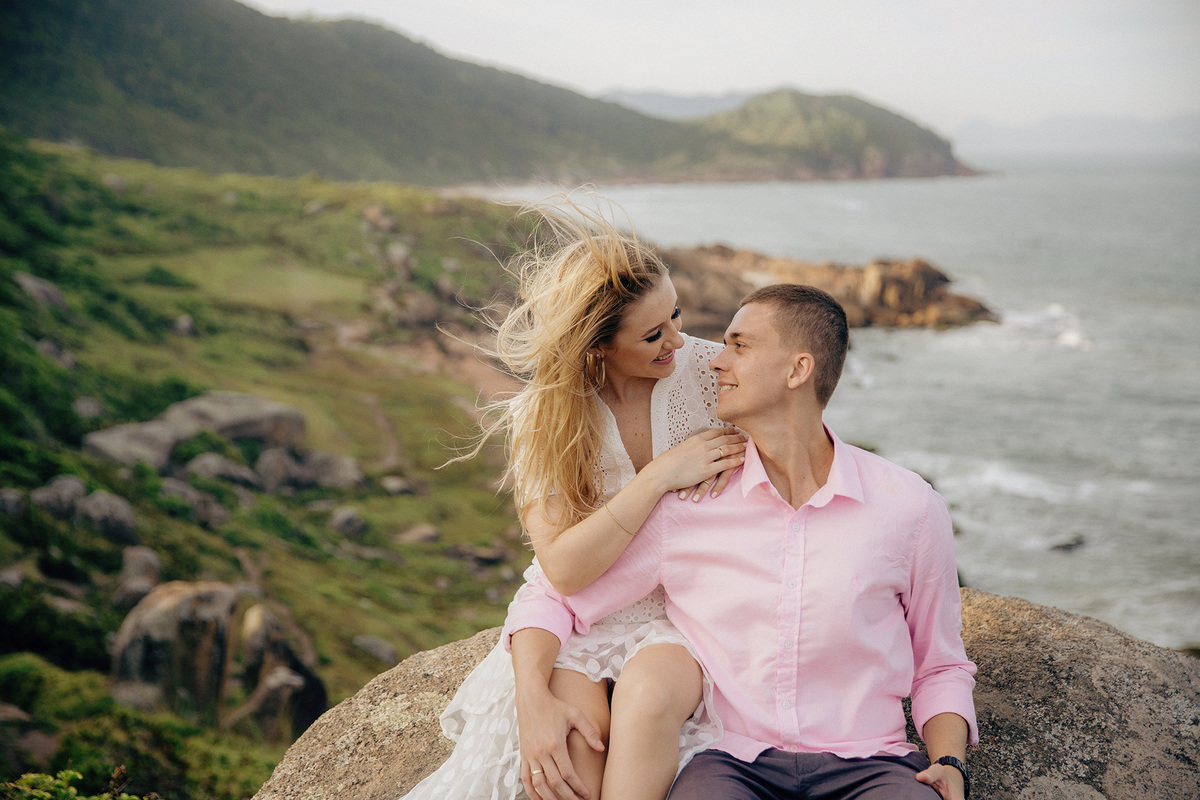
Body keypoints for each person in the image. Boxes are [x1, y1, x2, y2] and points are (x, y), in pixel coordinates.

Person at [505, 284, 979, 800]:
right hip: (733, 765)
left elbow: (942, 663)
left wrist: (949, 761)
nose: (713, 361)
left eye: (739, 346)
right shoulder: (692, 505)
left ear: (798, 371)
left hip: (871, 764)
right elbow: (557, 594)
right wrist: (532, 696)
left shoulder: (908, 506)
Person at [401, 201, 747, 800]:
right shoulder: (548, 414)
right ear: (597, 345)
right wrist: (659, 475)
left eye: (676, 317)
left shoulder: (709, 372)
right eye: (652, 333)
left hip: (687, 613)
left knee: (643, 728)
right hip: (580, 618)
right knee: (568, 771)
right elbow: (562, 569)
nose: (678, 340)